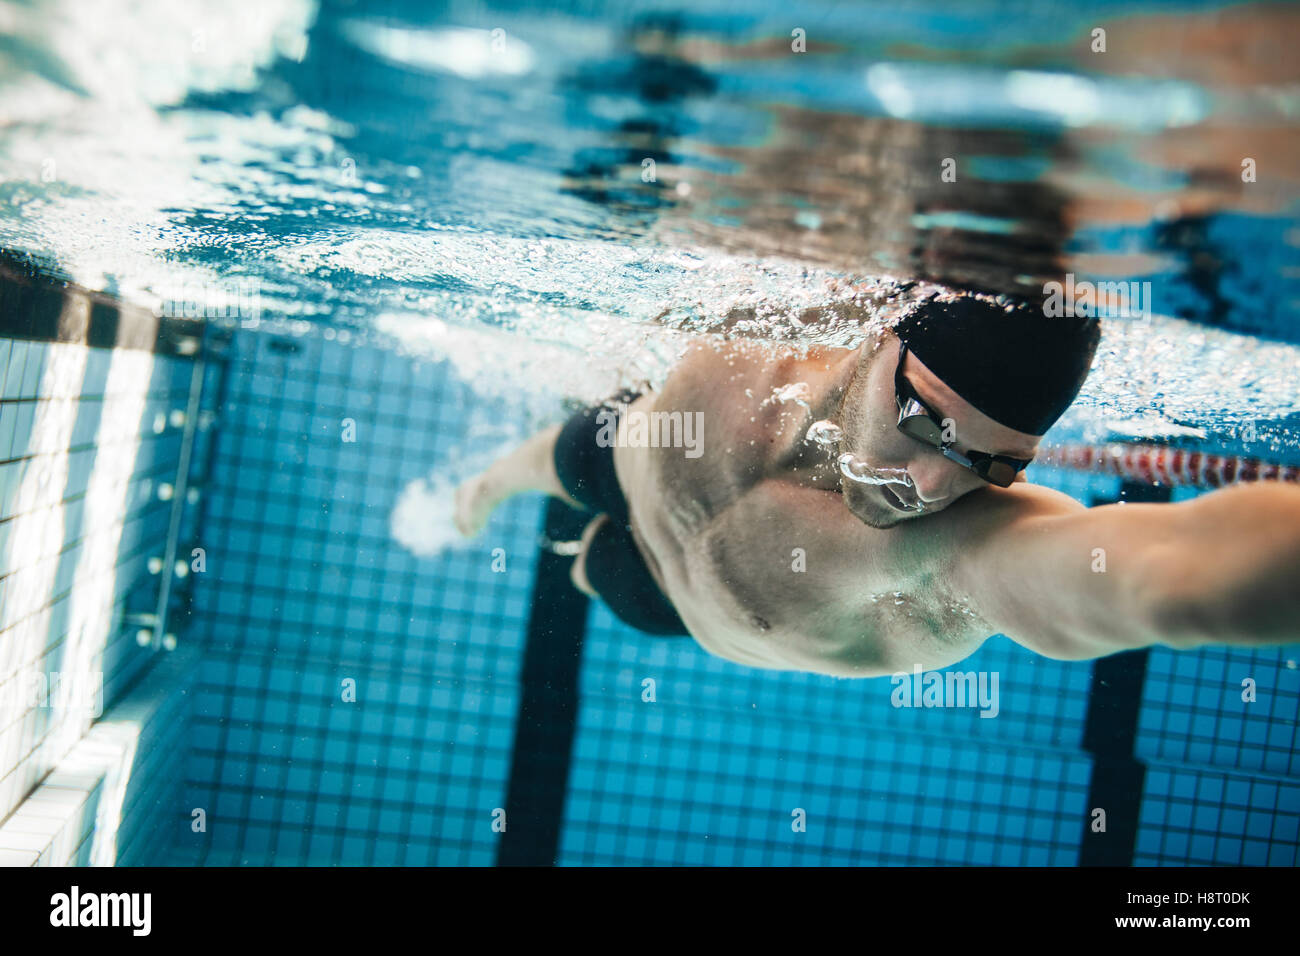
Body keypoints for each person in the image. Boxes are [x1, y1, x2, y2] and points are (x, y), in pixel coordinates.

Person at [454, 291, 1300, 676]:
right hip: (630, 458)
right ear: (884, 335)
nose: (932, 484)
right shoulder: (767, 314)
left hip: (670, 606)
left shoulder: (956, 555)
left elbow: (1163, 576)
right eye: (929, 422)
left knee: (589, 566)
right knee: (559, 456)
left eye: (990, 463)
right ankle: (482, 492)